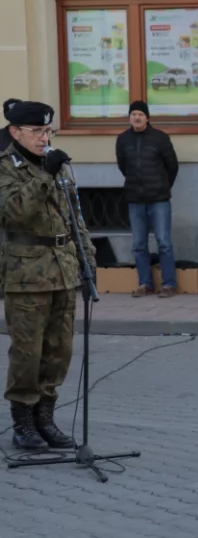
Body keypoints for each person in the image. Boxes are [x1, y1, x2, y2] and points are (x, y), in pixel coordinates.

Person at [0, 101, 95, 450]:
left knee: (59, 350)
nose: (44, 138)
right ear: (15, 132)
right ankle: (23, 422)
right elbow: (13, 213)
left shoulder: (58, 164)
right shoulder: (5, 166)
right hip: (25, 272)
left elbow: (75, 216)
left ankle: (46, 418)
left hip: (64, 267)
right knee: (28, 352)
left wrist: (88, 260)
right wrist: (44, 176)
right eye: (37, 131)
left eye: (48, 130)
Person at [115, 100, 179, 298]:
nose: (136, 117)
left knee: (164, 243)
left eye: (140, 114)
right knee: (139, 245)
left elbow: (172, 166)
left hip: (158, 198)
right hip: (135, 199)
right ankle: (145, 283)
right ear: (129, 118)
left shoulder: (160, 138)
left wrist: (163, 186)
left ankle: (168, 284)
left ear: (147, 117)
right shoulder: (123, 140)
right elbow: (123, 166)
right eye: (133, 114)